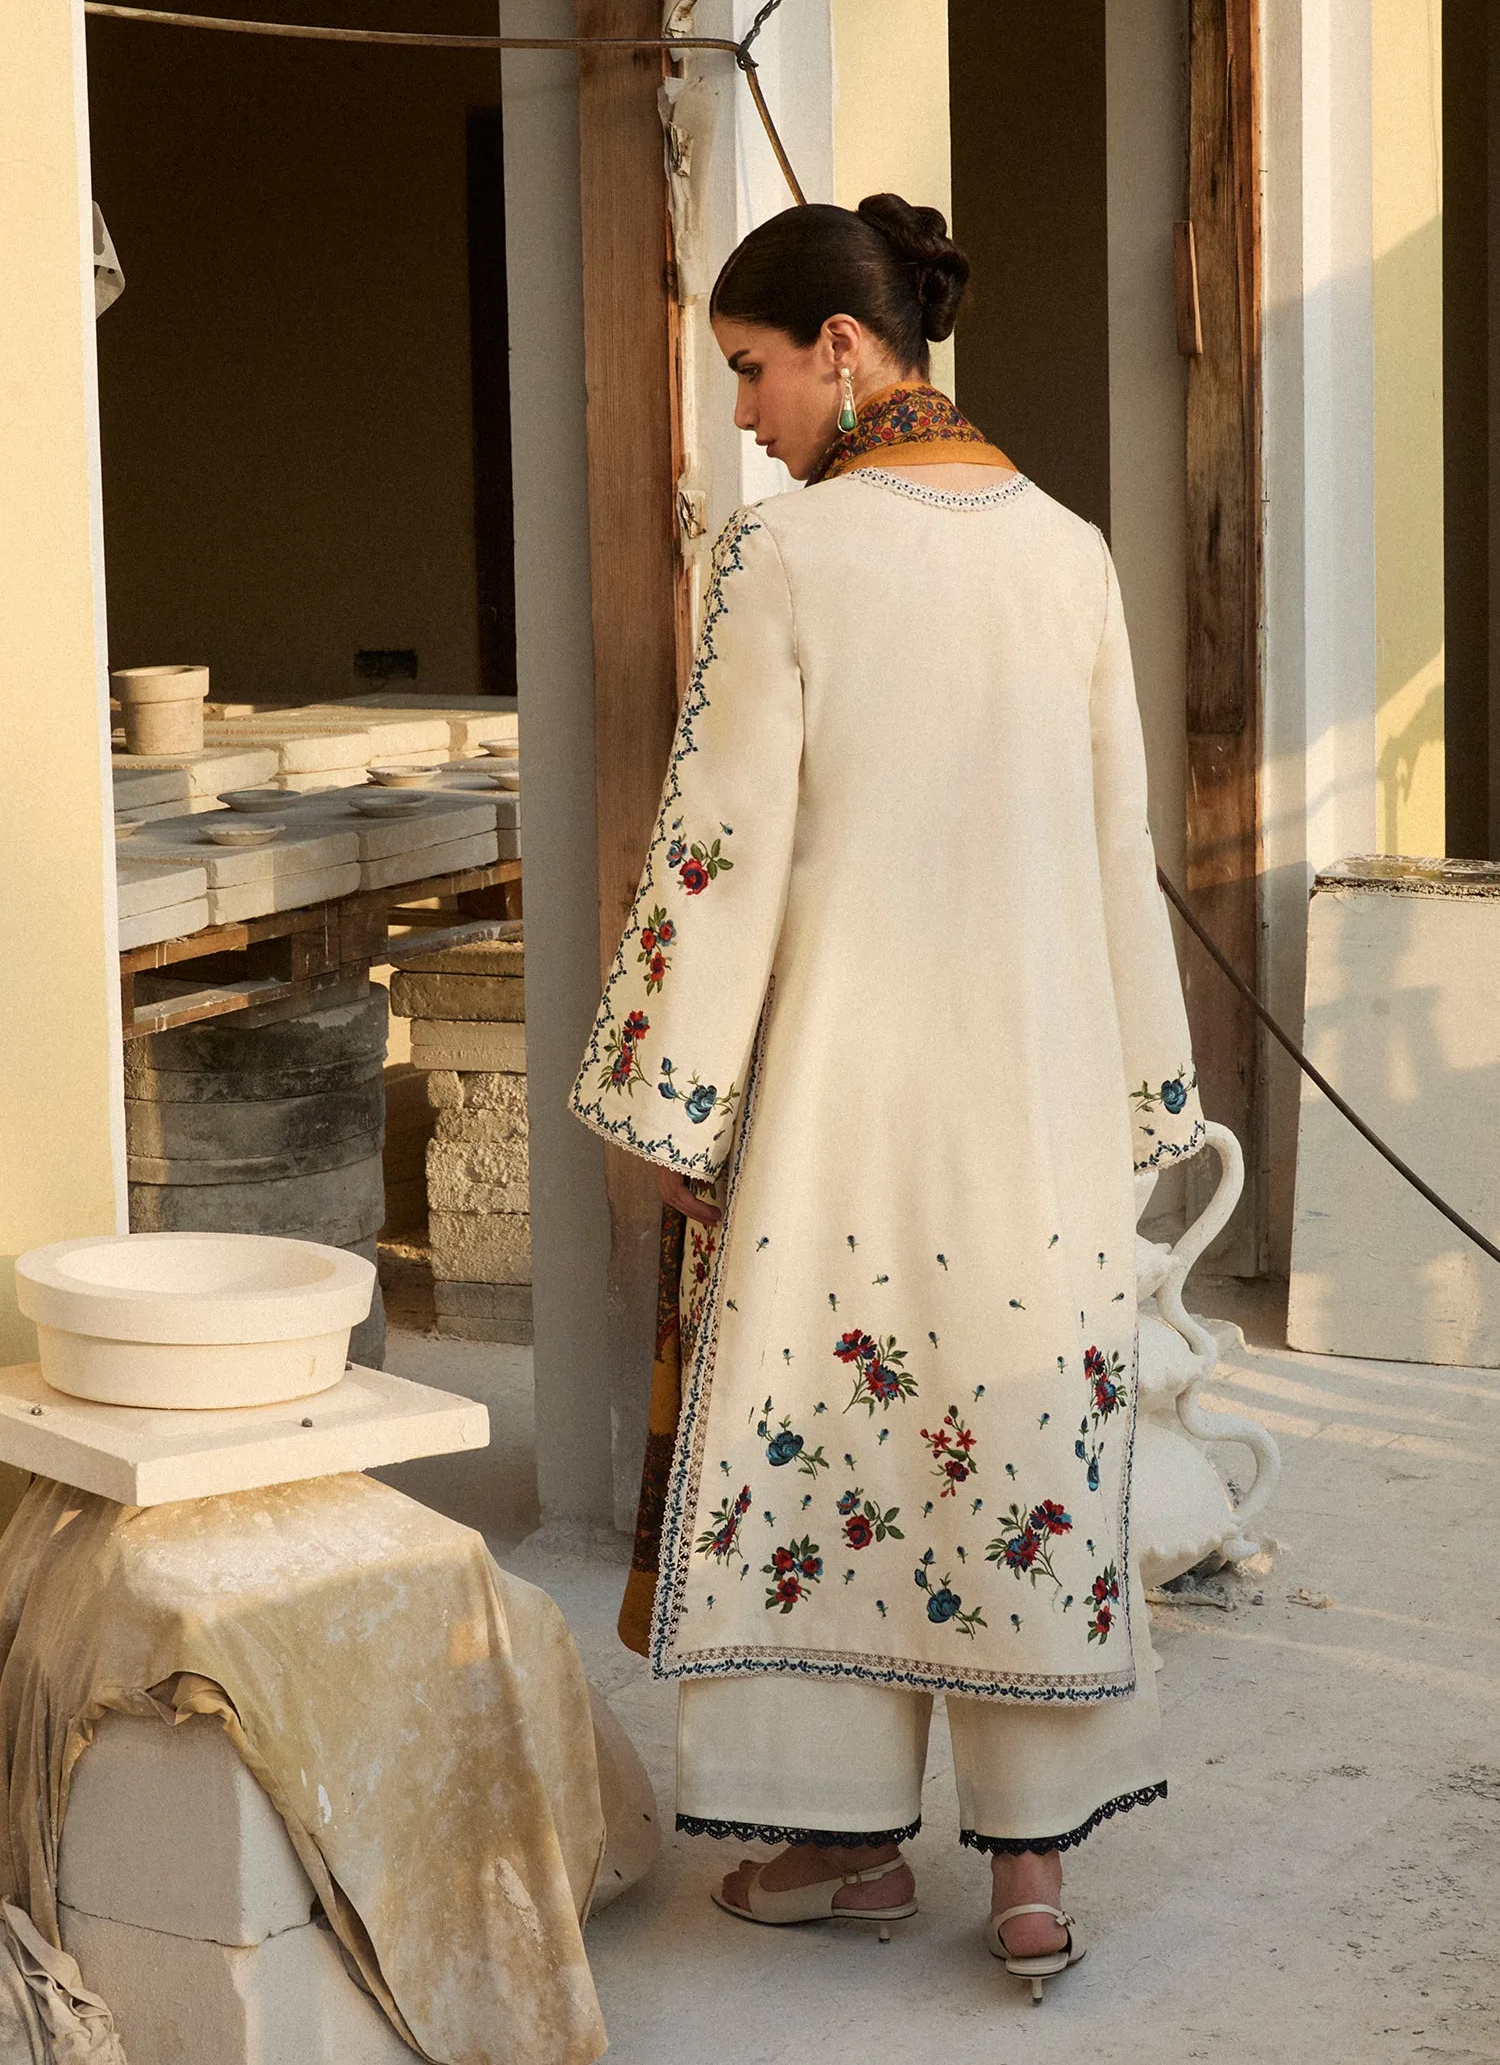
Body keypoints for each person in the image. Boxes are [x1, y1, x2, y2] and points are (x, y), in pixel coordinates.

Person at [569, 193, 1205, 2002]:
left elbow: (720, 849)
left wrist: (673, 1105)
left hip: (840, 1104)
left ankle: (844, 1853)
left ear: (844, 350)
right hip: (1039, 1105)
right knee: (1017, 1437)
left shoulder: (786, 556)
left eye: (753, 370)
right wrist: (1144, 1091)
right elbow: (1117, 843)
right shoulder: (1068, 550)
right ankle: (1032, 1879)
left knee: (827, 1434)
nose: (745, 416)